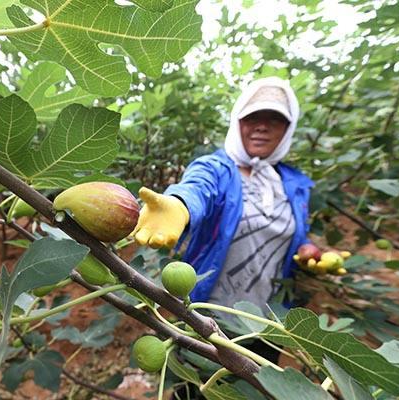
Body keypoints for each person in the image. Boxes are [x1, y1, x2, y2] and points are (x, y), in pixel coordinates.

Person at [131, 76, 316, 325]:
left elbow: (296, 232)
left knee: (262, 365)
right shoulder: (216, 168)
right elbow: (197, 188)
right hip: (206, 316)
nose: (262, 126)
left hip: (269, 321)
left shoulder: (294, 183)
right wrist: (179, 204)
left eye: (275, 119)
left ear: (288, 129)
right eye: (252, 117)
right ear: (237, 122)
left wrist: (305, 248)